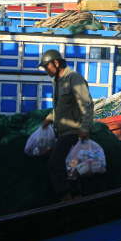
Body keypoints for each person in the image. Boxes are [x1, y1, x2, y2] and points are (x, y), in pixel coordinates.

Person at [39, 49, 94, 201]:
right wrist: (49, 118)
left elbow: (87, 104)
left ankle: (66, 198)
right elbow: (61, 107)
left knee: (54, 164)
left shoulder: (74, 78)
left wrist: (85, 127)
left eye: (46, 66)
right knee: (70, 167)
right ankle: (76, 195)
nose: (45, 70)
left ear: (56, 63)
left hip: (73, 132)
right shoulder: (58, 81)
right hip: (61, 132)